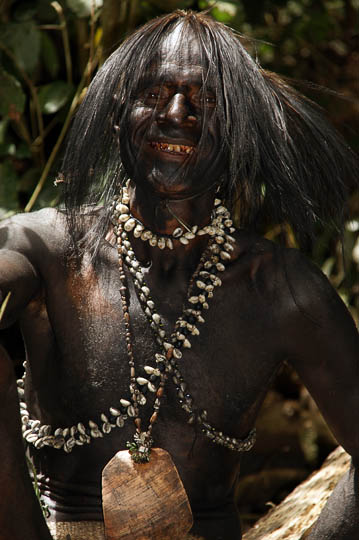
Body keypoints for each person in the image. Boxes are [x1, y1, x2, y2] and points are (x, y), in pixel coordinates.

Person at [0, 9, 358, 540]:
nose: (178, 114)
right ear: (120, 116)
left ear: (238, 131)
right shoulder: (50, 251)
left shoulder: (279, 288)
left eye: (206, 101)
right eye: (154, 94)